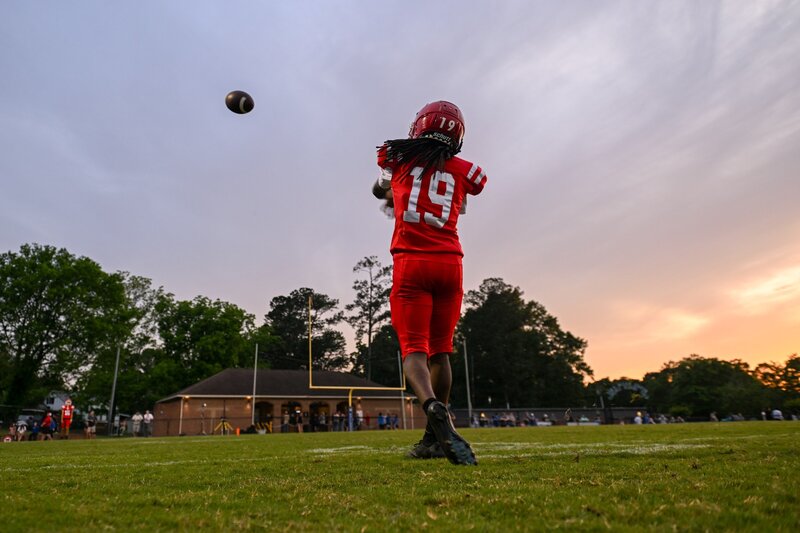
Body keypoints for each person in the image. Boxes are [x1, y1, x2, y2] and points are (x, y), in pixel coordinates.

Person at [372, 100, 486, 466]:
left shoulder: (397, 160)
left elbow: (382, 187)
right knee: (442, 351)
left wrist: (388, 190)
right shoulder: (467, 171)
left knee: (414, 352)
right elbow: (472, 183)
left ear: (418, 127)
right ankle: (434, 436)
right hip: (450, 264)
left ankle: (432, 406)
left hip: (411, 263)